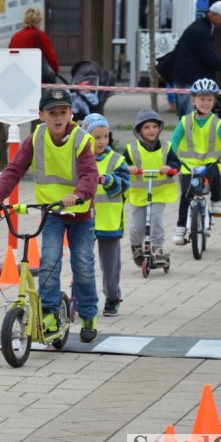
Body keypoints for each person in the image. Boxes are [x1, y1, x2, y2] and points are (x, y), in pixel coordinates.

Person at [0, 88, 100, 343]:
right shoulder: (35, 139)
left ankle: (88, 315)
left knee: (82, 265)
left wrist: (78, 194)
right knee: (49, 261)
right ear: (41, 115)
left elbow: (90, 176)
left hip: (80, 213)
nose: (58, 118)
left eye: (63, 112)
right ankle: (49, 313)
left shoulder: (81, 140)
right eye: (52, 113)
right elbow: (14, 170)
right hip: (52, 213)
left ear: (70, 113)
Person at [170, 78, 221, 245]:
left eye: (209, 99)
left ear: (214, 101)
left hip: (210, 162)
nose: (205, 103)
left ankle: (216, 200)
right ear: (193, 100)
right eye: (202, 99)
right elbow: (174, 140)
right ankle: (181, 227)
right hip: (188, 165)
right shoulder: (185, 121)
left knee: (215, 174)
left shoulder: (217, 123)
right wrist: (170, 157)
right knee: (186, 196)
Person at [81, 114, 130, 317]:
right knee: (82, 262)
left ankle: (112, 298)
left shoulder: (117, 160)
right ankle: (81, 299)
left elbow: (124, 184)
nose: (102, 141)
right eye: (97, 137)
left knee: (110, 265)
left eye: (105, 136)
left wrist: (107, 180)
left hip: (109, 221)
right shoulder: (78, 159)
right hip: (83, 220)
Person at [122, 108, 181, 267]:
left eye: (155, 126)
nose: (152, 130)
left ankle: (157, 249)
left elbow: (176, 163)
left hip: (159, 192)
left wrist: (169, 167)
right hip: (139, 193)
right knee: (138, 226)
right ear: (139, 130)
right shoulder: (131, 148)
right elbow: (121, 165)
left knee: (156, 220)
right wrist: (128, 168)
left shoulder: (166, 147)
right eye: (147, 127)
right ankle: (136, 245)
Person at [172, 1, 221, 118]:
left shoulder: (203, 27)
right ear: (213, 14)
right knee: (191, 121)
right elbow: (210, 59)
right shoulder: (201, 31)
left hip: (188, 79)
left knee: (189, 120)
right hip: (190, 82)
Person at [9, 7, 60, 81]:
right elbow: (50, 56)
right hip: (35, 77)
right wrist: (55, 70)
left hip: (18, 75)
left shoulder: (15, 36)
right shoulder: (39, 35)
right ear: (37, 21)